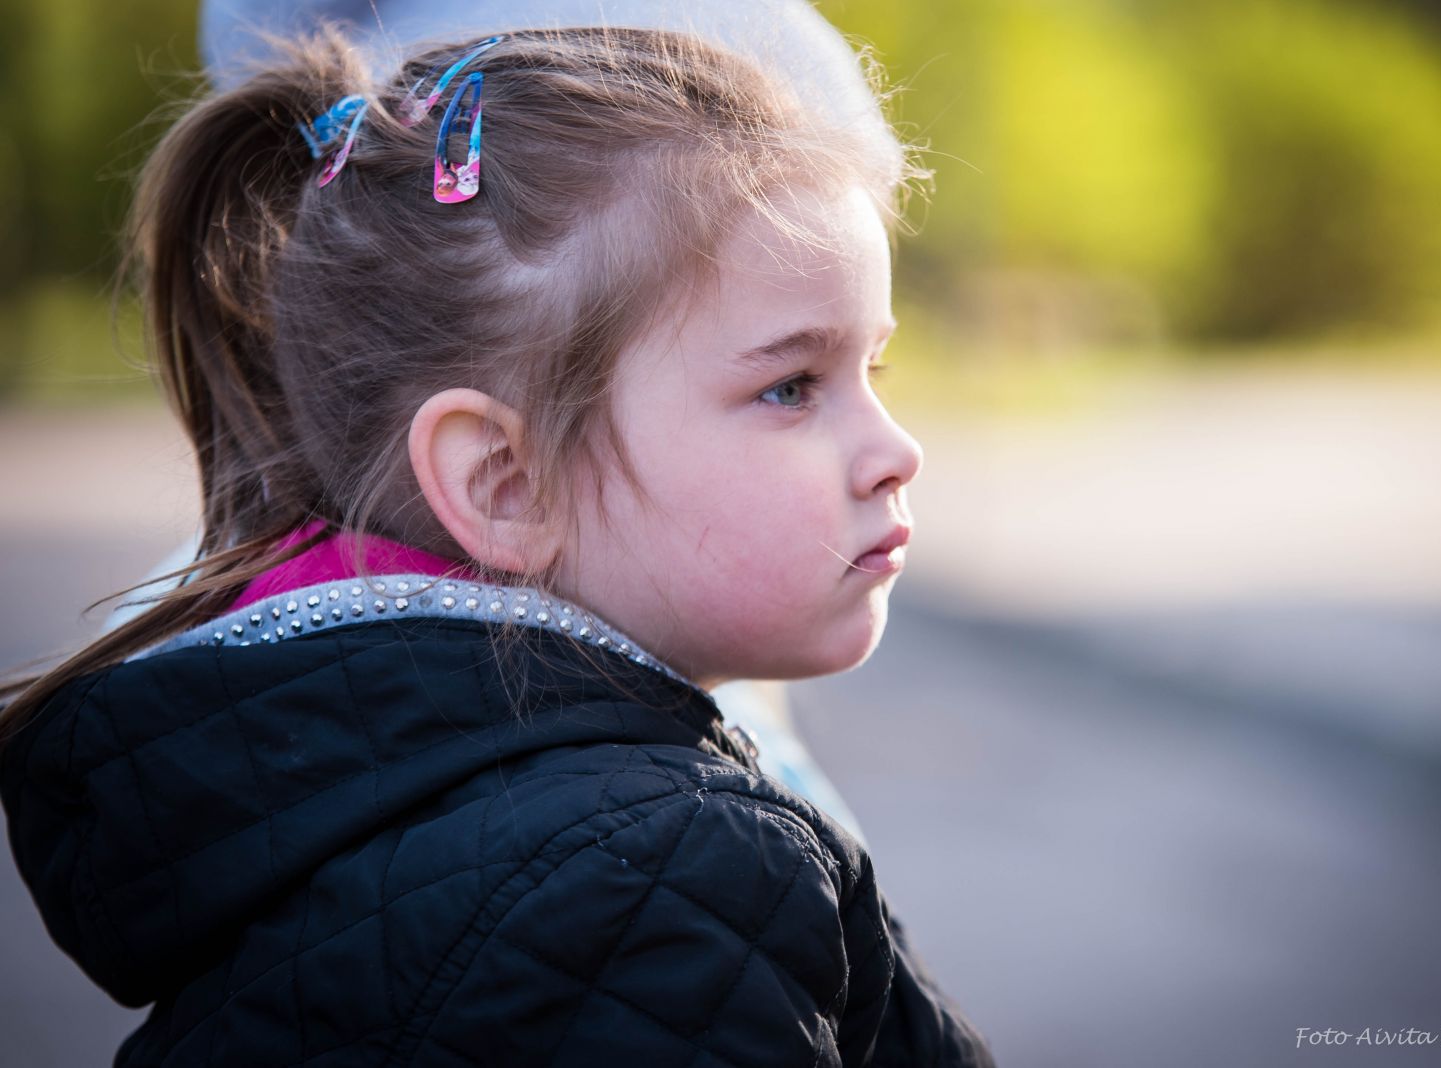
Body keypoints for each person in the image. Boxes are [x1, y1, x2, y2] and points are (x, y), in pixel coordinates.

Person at [0, 23, 994, 1067]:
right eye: (790, 387)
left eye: (872, 370)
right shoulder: (650, 880)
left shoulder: (377, 814)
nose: (897, 452)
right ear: (505, 484)